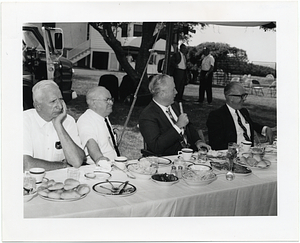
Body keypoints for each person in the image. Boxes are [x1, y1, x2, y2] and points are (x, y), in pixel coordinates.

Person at [139, 74, 211, 156]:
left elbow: (188, 125)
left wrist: (197, 141)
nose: (176, 92)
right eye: (173, 89)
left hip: (190, 155)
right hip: (169, 160)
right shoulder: (148, 115)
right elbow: (156, 146)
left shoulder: (174, 105)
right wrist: (178, 126)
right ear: (162, 93)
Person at [23, 80, 85, 172]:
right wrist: (63, 165)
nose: (60, 106)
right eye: (53, 101)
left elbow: (76, 162)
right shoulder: (23, 120)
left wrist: (58, 126)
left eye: (61, 99)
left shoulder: (68, 121)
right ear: (38, 106)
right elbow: (26, 164)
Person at [206, 82, 274, 150]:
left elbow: (251, 124)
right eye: (241, 96)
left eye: (245, 95)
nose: (244, 99)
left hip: (250, 154)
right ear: (230, 97)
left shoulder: (243, 111)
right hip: (232, 155)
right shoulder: (217, 116)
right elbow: (216, 144)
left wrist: (265, 129)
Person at [77, 86, 120, 164]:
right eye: (107, 100)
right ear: (94, 103)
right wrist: (100, 159)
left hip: (114, 163)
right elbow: (90, 143)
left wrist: (114, 132)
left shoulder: (102, 116)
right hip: (98, 168)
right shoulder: (86, 121)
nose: (111, 103)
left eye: (111, 99)